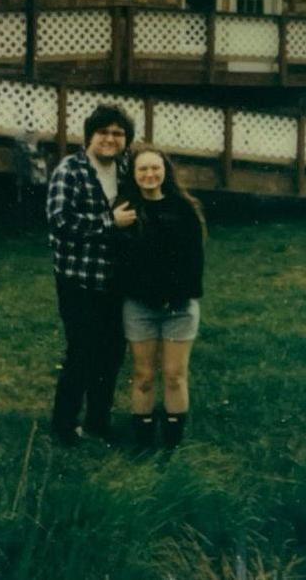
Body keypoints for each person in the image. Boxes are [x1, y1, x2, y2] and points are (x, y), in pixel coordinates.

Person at [46, 103, 137, 446]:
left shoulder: (127, 168)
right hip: (78, 280)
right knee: (81, 352)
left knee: (112, 354)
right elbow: (60, 221)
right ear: (89, 136)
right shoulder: (69, 170)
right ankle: (64, 426)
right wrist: (109, 224)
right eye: (103, 132)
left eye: (118, 133)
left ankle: (99, 421)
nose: (110, 139)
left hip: (116, 281)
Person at [117, 145, 205, 450]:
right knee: (143, 374)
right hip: (140, 307)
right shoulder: (125, 210)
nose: (149, 174)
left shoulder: (184, 208)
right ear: (134, 174)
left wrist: (175, 295)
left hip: (179, 307)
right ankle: (142, 442)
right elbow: (121, 262)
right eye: (142, 169)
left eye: (155, 168)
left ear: (165, 171)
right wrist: (114, 227)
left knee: (174, 375)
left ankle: (173, 443)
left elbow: (194, 263)